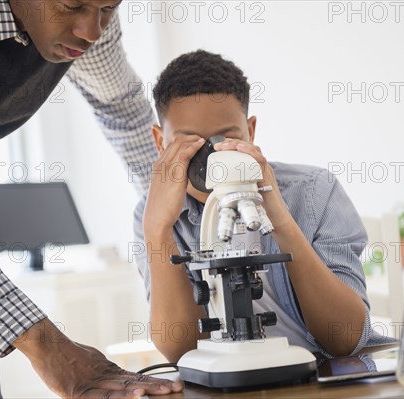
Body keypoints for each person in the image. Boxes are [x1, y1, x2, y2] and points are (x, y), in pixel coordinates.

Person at [0, 0, 182, 397]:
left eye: (108, 9)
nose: (93, 31)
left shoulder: (87, 27)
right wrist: (49, 347)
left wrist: (181, 221)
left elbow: (121, 107)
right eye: (72, 6)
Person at [135, 49, 388, 364]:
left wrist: (280, 219)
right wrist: (157, 229)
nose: (210, 155)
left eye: (225, 138)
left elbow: (346, 338)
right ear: (160, 142)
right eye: (190, 142)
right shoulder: (155, 213)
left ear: (250, 131)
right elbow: (180, 349)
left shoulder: (313, 191)